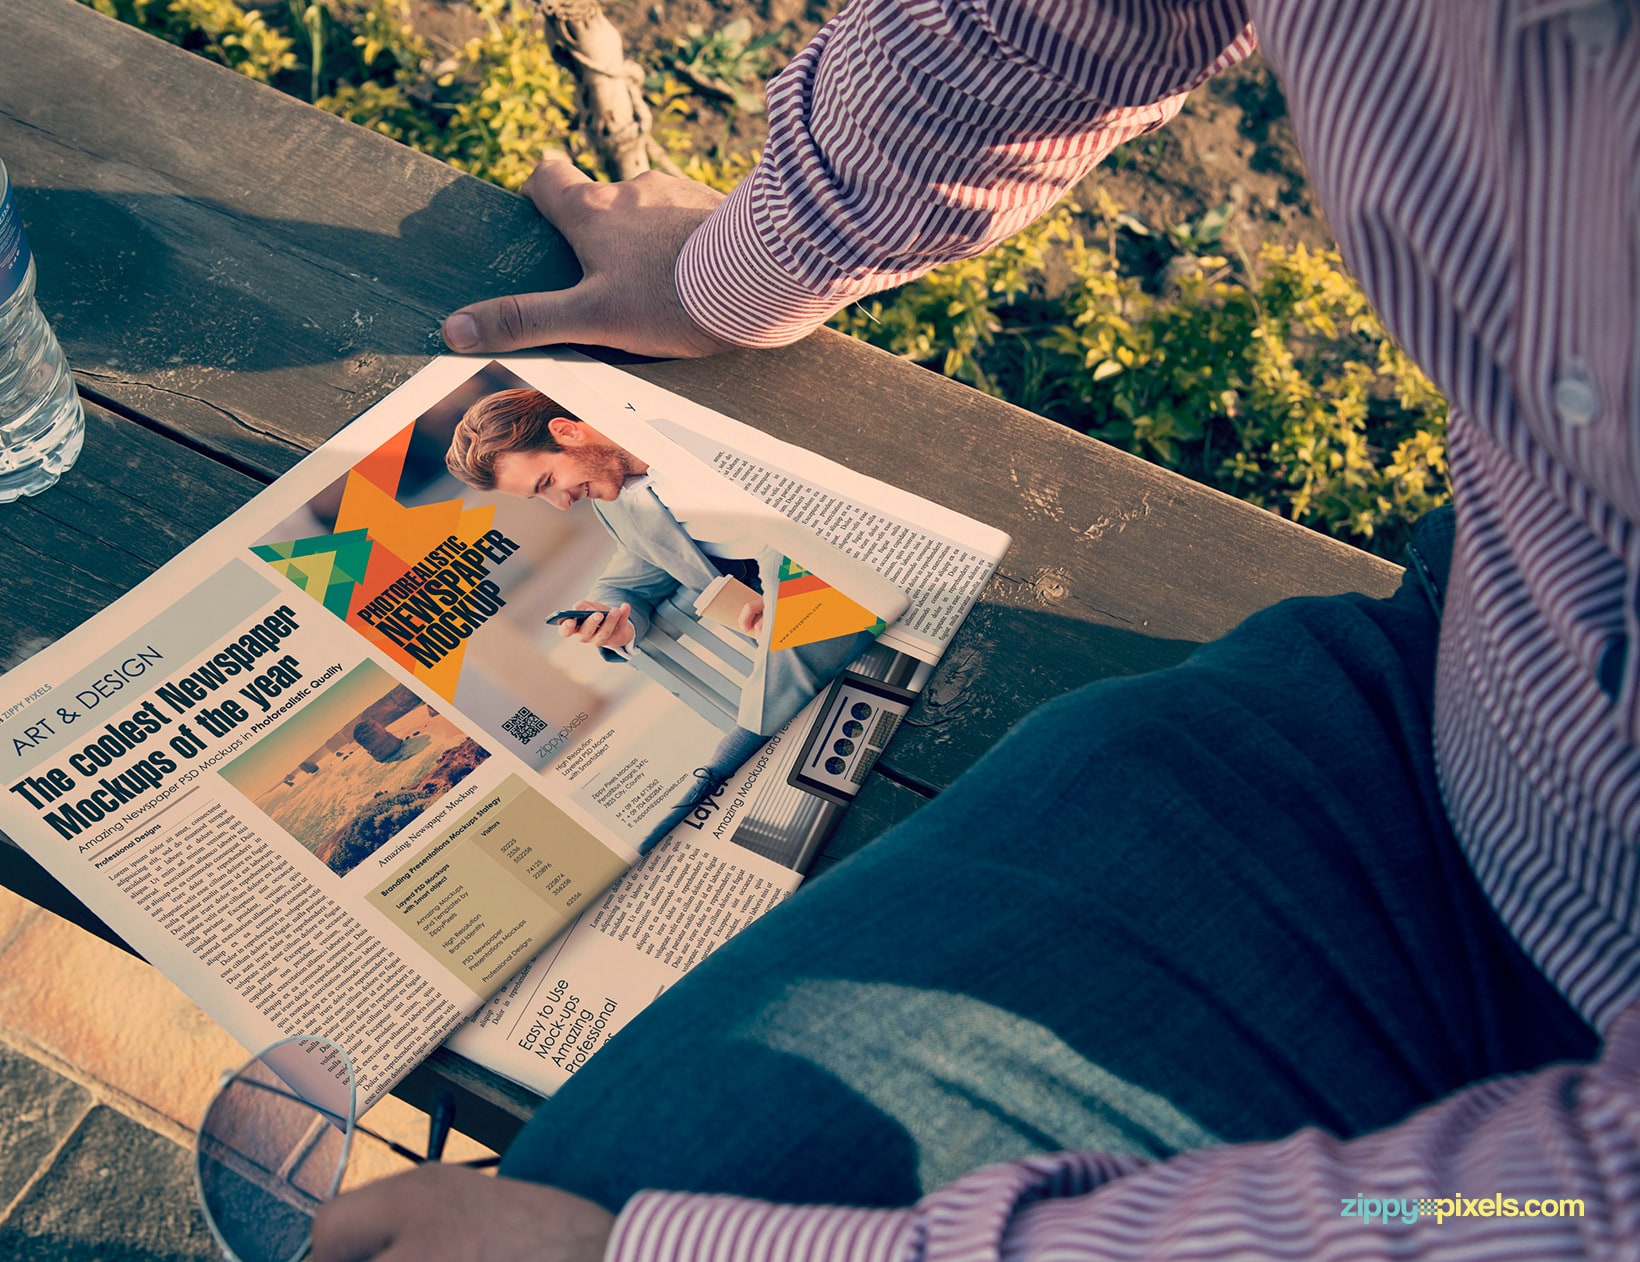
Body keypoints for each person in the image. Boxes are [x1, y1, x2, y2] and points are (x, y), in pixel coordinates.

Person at [313, 1, 1638, 1258]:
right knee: (647, 1157)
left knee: (655, 1196)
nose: (555, 512)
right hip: (1472, 717)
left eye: (543, 488)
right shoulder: (637, 518)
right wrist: (738, 275)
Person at [447, 388, 881, 779]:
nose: (560, 504)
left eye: (547, 482)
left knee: (787, 576)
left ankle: (735, 759)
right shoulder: (620, 503)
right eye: (538, 496)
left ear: (568, 432)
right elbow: (633, 574)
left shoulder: (687, 422)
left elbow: (789, 512)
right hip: (799, 625)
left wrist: (777, 596)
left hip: (855, 563)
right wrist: (612, 617)